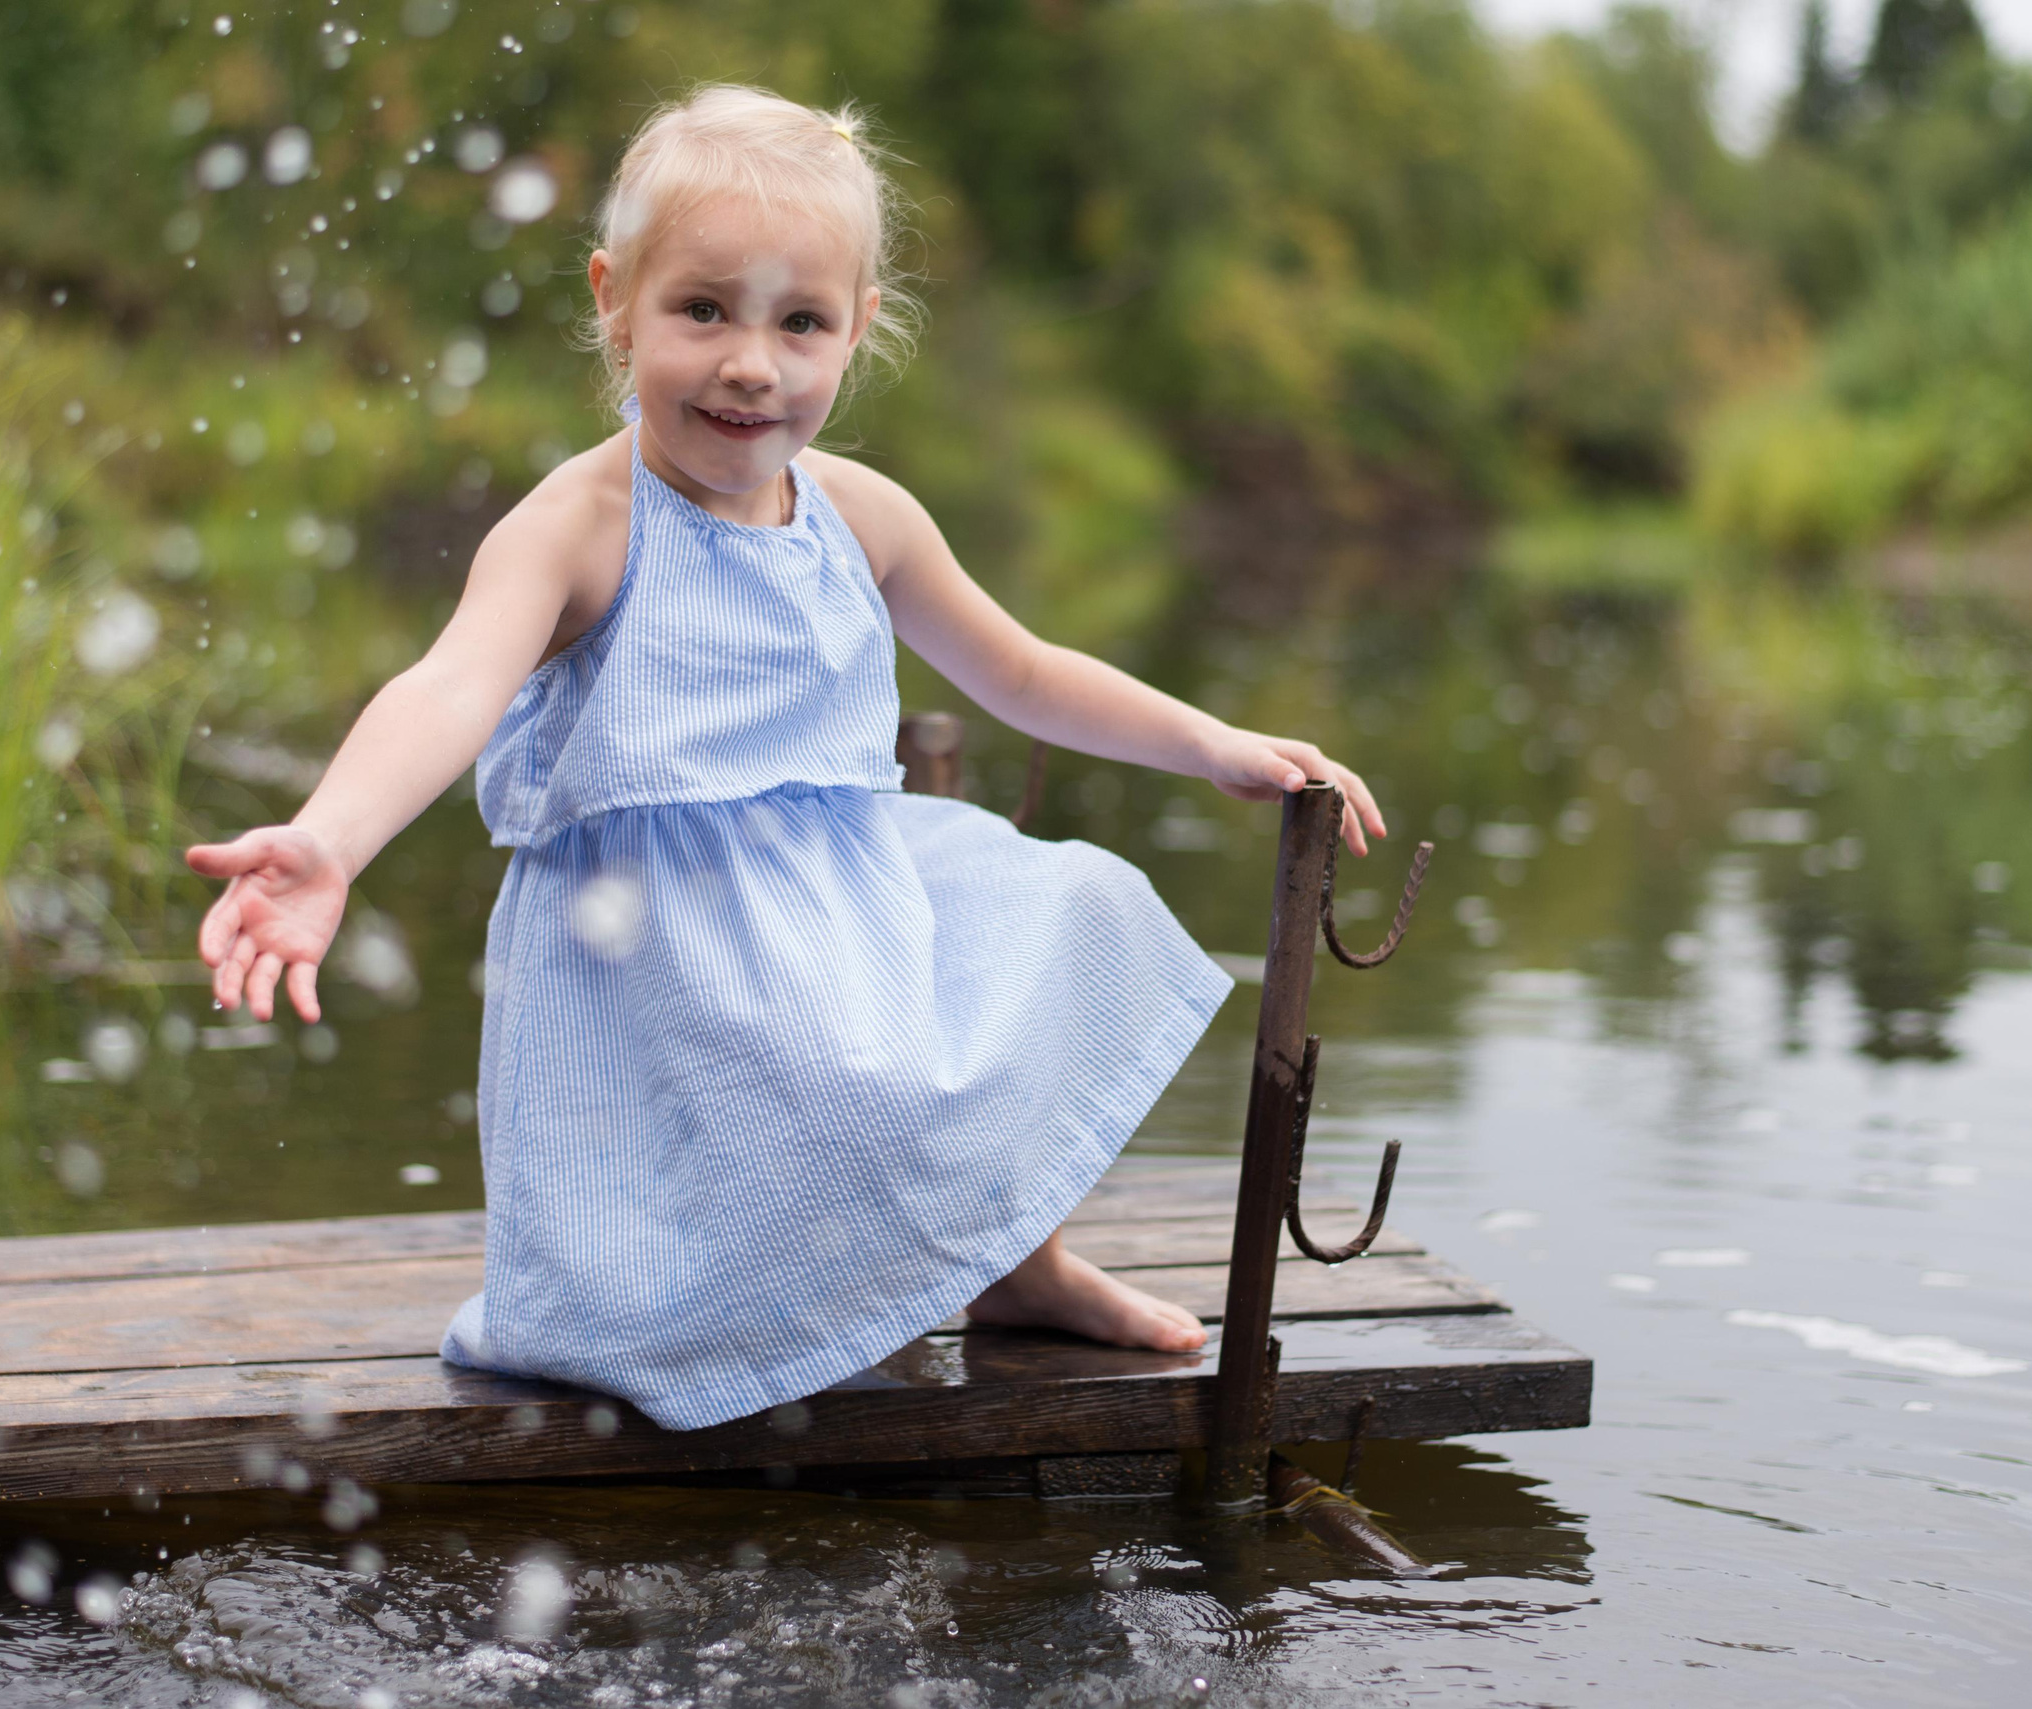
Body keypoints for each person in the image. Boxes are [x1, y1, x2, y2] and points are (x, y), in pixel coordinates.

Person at [184, 84, 1388, 1432]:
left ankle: (1014, 1262)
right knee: (820, 1102)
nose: (752, 364)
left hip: (838, 910)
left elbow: (1024, 670)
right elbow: (449, 682)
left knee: (1074, 910)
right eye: (704, 310)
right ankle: (675, 1316)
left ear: (858, 330)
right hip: (655, 952)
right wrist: (332, 837)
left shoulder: (861, 516)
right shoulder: (580, 524)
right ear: (614, 298)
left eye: (799, 322)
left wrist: (1207, 741)